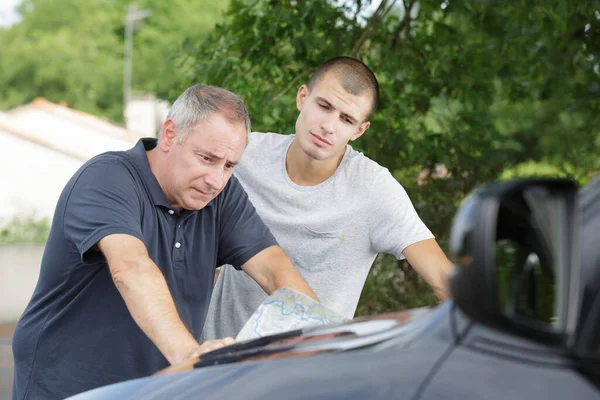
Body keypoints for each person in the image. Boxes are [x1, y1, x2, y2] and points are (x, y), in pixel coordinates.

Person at [11, 83, 317, 400]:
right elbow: (131, 268)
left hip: (153, 390)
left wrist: (323, 337)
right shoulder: (107, 179)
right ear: (170, 134)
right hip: (67, 388)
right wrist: (190, 356)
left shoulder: (221, 196)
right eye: (207, 158)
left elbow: (273, 268)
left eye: (229, 165)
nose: (217, 180)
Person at [203, 56, 455, 341]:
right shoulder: (244, 156)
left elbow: (444, 279)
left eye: (346, 119)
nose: (329, 126)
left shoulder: (373, 189)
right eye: (324, 106)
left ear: (359, 130)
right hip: (215, 359)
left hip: (309, 369)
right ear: (302, 97)